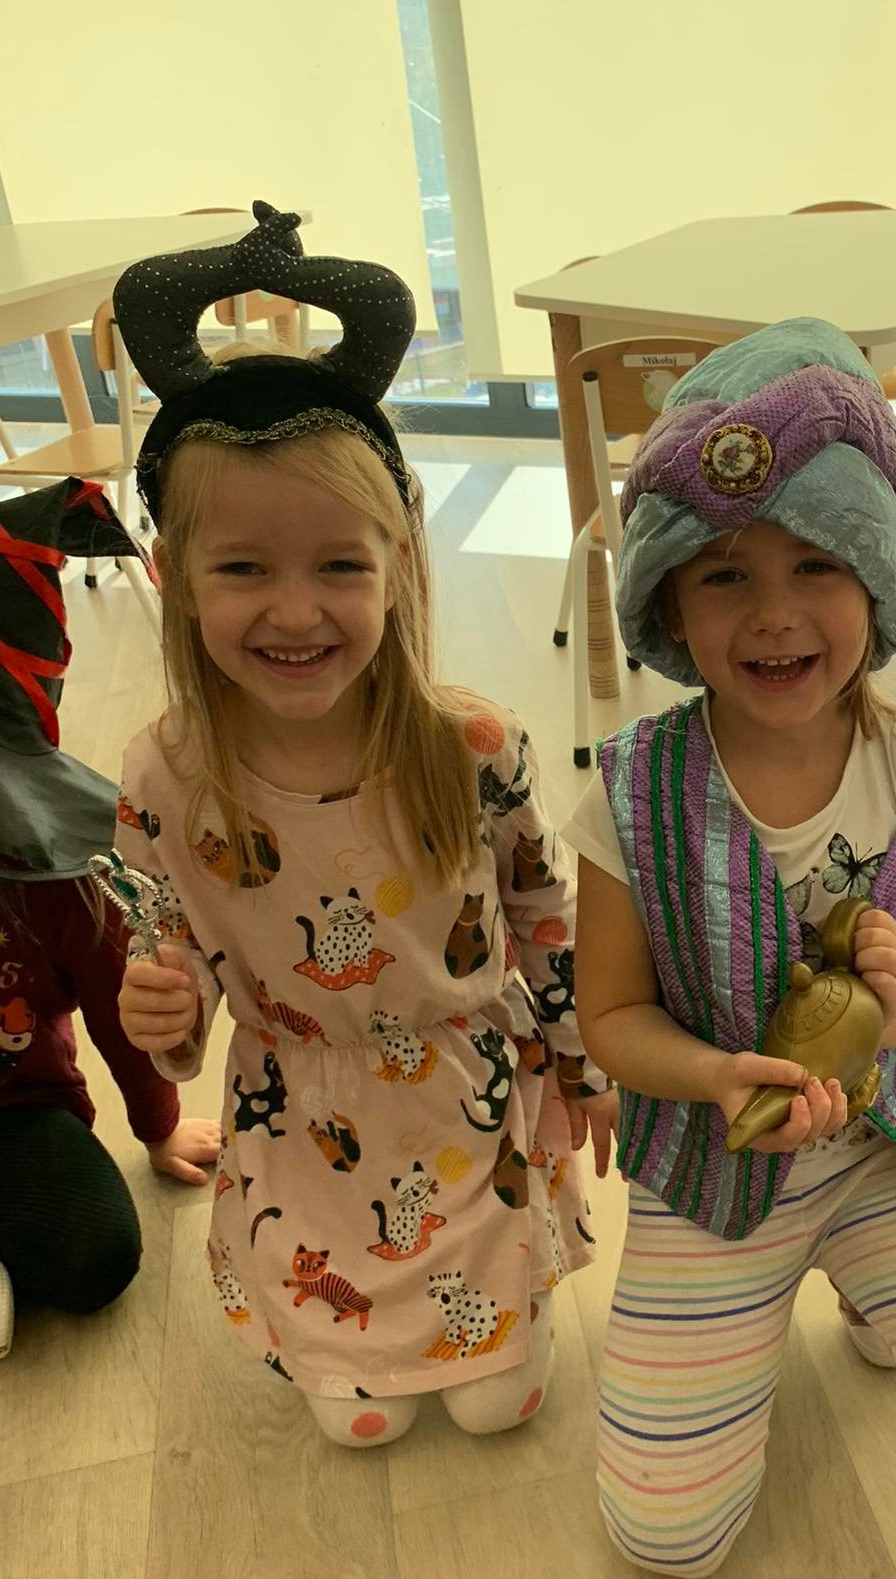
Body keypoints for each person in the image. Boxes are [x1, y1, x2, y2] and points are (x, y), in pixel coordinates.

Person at [562, 317, 896, 1576]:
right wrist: (712, 1074)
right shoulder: (629, 794)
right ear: (668, 603)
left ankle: (866, 1274)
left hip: (885, 1148)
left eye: (817, 563)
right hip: (713, 1168)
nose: (776, 613)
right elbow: (610, 1016)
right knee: (665, 1538)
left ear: (878, 580)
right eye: (723, 574)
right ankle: (779, 1287)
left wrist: (894, 1010)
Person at [109, 204, 614, 1446]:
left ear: (399, 561)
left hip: (470, 1105)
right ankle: (354, 1347)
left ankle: (500, 1315)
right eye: (244, 569)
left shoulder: (473, 745)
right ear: (176, 575)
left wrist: (583, 1063)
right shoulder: (165, 777)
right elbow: (172, 956)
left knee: (501, 1406)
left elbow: (546, 914)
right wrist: (166, 1015)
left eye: (339, 565)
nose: (296, 612)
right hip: (306, 1134)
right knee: (358, 1424)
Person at [0, 477, 218, 1362]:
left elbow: (122, 1004)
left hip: (8, 1114)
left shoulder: (56, 877)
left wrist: (159, 1126)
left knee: (95, 1256)